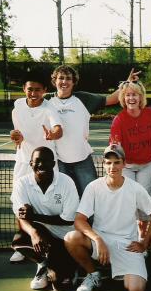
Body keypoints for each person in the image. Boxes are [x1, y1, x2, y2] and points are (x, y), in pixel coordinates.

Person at [64, 144, 151, 291]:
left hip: (128, 245)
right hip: (100, 241)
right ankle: (93, 274)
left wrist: (144, 243)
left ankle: (114, 268)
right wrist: (98, 239)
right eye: (108, 162)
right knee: (71, 238)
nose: (112, 166)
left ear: (124, 164)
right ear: (104, 164)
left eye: (116, 162)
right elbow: (79, 220)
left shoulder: (135, 188)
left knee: (136, 290)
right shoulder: (93, 187)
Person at [48, 65, 140, 197]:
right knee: (65, 198)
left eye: (68, 78)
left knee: (91, 196)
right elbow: (29, 104)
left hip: (82, 159)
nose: (64, 82)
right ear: (54, 81)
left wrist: (128, 82)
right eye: (61, 78)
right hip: (58, 161)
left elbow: (111, 98)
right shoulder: (45, 100)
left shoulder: (84, 99)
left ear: (73, 82)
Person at [9, 72, 63, 263]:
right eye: (30, 89)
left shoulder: (50, 108)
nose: (33, 93)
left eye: (37, 90)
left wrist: (52, 135)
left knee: (49, 205)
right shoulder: (17, 106)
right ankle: (23, 244)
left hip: (47, 164)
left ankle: (52, 242)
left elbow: (58, 129)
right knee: (20, 204)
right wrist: (18, 136)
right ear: (24, 89)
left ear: (45, 91)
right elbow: (18, 132)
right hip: (24, 162)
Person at [10, 146, 80, 290]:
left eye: (46, 161)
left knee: (61, 285)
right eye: (37, 161)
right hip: (42, 234)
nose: (41, 165)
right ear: (31, 164)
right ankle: (42, 263)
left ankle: (69, 265)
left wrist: (34, 216)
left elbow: (68, 220)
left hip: (65, 238)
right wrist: (34, 233)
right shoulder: (22, 183)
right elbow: (22, 216)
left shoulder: (66, 182)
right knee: (19, 241)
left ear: (54, 164)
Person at [109, 79, 151, 239]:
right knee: (127, 199)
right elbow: (116, 146)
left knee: (144, 200)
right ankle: (127, 236)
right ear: (123, 98)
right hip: (128, 165)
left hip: (147, 164)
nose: (131, 98)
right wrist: (114, 147)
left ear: (141, 97)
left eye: (135, 95)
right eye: (127, 95)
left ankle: (142, 237)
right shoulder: (119, 119)